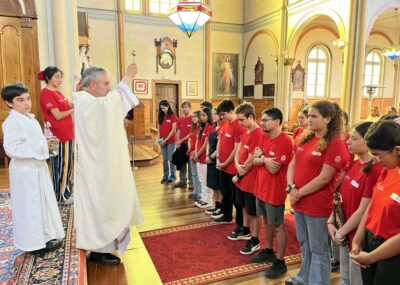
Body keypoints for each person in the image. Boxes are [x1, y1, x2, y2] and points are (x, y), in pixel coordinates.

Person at [73, 64, 143, 265]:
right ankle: (98, 249)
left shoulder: (91, 101)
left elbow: (103, 121)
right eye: (105, 83)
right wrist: (128, 77)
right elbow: (108, 105)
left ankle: (104, 246)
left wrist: (115, 124)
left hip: (100, 166)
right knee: (100, 203)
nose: (108, 88)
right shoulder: (86, 102)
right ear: (93, 84)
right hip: (96, 169)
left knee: (107, 202)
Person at [285, 101, 350, 285]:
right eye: (309, 116)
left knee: (319, 249)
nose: (309, 119)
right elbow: (293, 164)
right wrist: (291, 187)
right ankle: (304, 277)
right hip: (299, 202)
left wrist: (299, 192)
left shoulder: (335, 143)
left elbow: (324, 178)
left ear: (328, 119)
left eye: (314, 116)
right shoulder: (306, 138)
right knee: (304, 243)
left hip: (317, 204)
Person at [1, 83, 64, 254]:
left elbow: (34, 141)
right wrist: (42, 145)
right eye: (20, 100)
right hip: (25, 171)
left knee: (41, 202)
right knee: (30, 206)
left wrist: (45, 142)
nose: (26, 103)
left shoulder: (30, 118)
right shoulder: (12, 122)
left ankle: (44, 236)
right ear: (9, 103)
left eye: (27, 98)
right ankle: (33, 244)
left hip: (37, 167)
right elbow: (11, 149)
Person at [327, 122, 382, 285]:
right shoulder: (354, 164)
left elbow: (363, 209)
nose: (348, 142)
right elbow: (340, 197)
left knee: (356, 279)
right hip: (345, 230)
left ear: (368, 142)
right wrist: (331, 219)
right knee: (345, 277)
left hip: (357, 235)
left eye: (354, 139)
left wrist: (341, 232)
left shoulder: (374, 170)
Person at [350, 121, 400, 284]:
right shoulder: (388, 170)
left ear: (397, 150)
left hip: (391, 253)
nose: (376, 160)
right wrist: (358, 240)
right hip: (371, 242)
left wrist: (371, 257)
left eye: (378, 154)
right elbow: (373, 205)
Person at [252, 108, 294, 279]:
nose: (262, 123)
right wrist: (264, 159)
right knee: (266, 221)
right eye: (262, 120)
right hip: (261, 187)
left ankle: (280, 261)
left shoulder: (285, 141)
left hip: (275, 191)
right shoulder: (263, 136)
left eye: (265, 120)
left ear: (277, 122)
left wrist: (262, 158)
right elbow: (254, 160)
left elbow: (275, 168)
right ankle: (269, 250)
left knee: (277, 226)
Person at [230, 103, 264, 256]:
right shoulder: (246, 131)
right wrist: (237, 164)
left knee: (254, 211)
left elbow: (252, 158)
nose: (239, 123)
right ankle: (245, 230)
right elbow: (238, 150)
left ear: (251, 117)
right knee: (242, 205)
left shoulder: (258, 133)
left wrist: (240, 172)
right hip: (242, 175)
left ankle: (255, 240)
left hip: (251, 178)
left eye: (241, 120)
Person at [39, 66, 74, 202]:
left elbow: (70, 104)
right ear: (48, 78)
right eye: (56, 77)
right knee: (60, 165)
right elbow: (58, 116)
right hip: (57, 136)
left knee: (67, 165)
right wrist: (75, 109)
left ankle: (65, 192)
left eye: (61, 77)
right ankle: (60, 196)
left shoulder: (58, 93)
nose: (60, 80)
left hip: (67, 134)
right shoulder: (46, 93)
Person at [212, 100, 245, 230]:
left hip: (231, 167)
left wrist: (226, 162)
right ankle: (226, 216)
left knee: (236, 198)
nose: (221, 117)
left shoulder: (239, 125)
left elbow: (237, 149)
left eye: (223, 114)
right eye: (220, 114)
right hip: (222, 165)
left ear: (232, 111)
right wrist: (219, 159)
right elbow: (220, 141)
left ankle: (241, 223)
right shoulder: (224, 123)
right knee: (225, 193)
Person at [193, 108, 214, 208]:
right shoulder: (200, 127)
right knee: (201, 179)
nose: (202, 117)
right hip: (198, 157)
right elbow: (198, 140)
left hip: (204, 157)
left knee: (206, 179)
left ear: (208, 116)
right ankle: (203, 197)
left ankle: (208, 200)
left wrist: (198, 154)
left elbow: (206, 144)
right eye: (201, 115)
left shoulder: (210, 127)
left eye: (204, 115)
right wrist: (195, 153)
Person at [204, 108, 223, 217]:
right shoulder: (213, 128)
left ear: (220, 115)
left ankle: (221, 207)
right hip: (210, 158)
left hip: (216, 159)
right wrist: (207, 155)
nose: (213, 116)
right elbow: (208, 144)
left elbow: (220, 146)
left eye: (215, 114)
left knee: (218, 185)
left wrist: (211, 157)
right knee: (213, 185)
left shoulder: (222, 128)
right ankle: (216, 205)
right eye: (212, 114)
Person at [158, 100, 178, 185]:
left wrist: (165, 140)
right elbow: (159, 129)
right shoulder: (160, 116)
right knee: (165, 159)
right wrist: (160, 140)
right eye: (161, 108)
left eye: (164, 108)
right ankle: (165, 176)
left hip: (171, 141)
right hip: (162, 141)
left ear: (168, 106)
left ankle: (173, 177)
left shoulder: (173, 116)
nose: (163, 110)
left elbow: (173, 130)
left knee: (171, 158)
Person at [175, 101, 193, 188]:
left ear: (189, 108)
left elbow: (191, 133)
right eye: (183, 107)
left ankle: (191, 182)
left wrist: (181, 140)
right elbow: (178, 131)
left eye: (186, 107)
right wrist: (178, 141)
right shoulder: (180, 119)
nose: (184, 109)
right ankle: (182, 180)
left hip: (189, 144)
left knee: (190, 163)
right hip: (181, 145)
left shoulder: (192, 119)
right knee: (182, 162)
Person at [187, 111, 201, 200]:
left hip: (197, 153)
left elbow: (199, 142)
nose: (193, 118)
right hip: (191, 152)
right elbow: (190, 139)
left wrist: (195, 152)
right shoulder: (192, 128)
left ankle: (200, 193)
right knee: (194, 174)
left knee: (199, 175)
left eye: (196, 116)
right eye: (193, 117)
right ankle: (195, 191)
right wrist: (189, 149)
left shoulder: (200, 128)